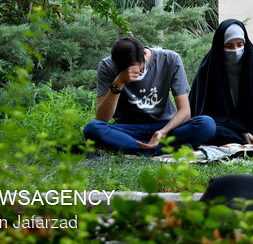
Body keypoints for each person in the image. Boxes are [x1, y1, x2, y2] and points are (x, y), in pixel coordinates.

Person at [83, 36, 216, 155]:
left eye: (139, 69)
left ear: (145, 54)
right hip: (128, 129)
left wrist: (162, 133)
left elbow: (185, 111)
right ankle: (160, 149)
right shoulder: (107, 66)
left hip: (164, 126)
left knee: (207, 124)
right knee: (92, 129)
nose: (137, 74)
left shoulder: (170, 59)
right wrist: (118, 83)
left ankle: (136, 148)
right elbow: (101, 119)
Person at [189, 19, 253, 146]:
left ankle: (250, 139)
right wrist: (241, 131)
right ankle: (242, 139)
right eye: (229, 46)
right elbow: (208, 111)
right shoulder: (209, 67)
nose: (236, 50)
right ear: (220, 46)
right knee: (209, 130)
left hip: (251, 124)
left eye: (239, 44)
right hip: (222, 124)